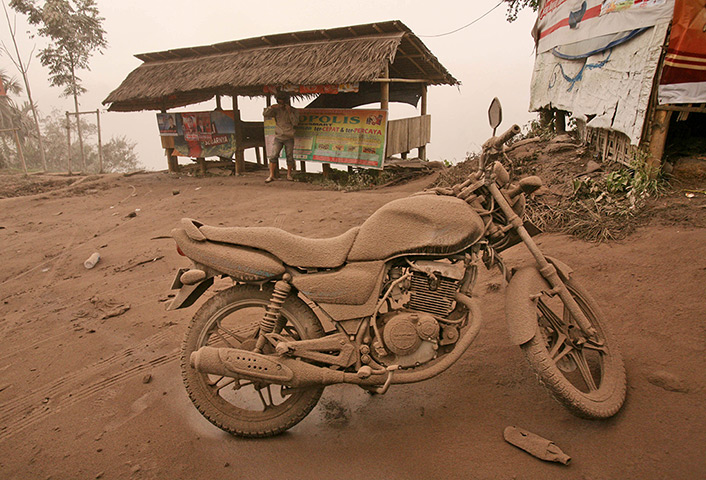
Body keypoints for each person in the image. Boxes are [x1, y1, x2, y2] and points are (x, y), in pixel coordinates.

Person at [263, 91, 299, 182]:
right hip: (278, 136)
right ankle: (271, 175)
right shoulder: (276, 110)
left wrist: (289, 112)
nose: (281, 105)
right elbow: (265, 114)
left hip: (289, 137)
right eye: (279, 102)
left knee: (289, 157)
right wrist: (271, 107)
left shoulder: (294, 111)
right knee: (273, 156)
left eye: (282, 102)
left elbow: (295, 122)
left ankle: (289, 175)